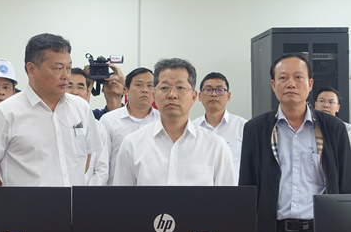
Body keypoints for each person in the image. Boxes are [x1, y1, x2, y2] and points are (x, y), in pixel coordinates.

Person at [239, 53, 351, 232]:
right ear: (273, 85)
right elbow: (247, 188)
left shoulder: (334, 129)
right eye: (283, 78)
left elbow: (346, 185)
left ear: (310, 84)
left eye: (298, 77)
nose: (291, 83)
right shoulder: (254, 129)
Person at [0, 33, 101, 186]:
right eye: (58, 68)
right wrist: (11, 202)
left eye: (69, 68)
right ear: (31, 69)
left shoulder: (81, 108)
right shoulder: (5, 113)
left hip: (73, 207)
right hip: (27, 209)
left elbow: (85, 157)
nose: (66, 75)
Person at [114, 58, 234, 186]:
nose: (172, 94)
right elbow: (123, 202)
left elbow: (226, 203)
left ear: (193, 97)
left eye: (180, 87)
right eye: (165, 88)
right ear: (154, 95)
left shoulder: (215, 147)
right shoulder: (132, 144)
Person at [100, 67, 160, 185]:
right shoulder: (109, 120)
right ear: (126, 90)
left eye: (150, 86)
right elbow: (102, 164)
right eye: (139, 85)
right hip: (118, 193)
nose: (145, 90)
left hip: (153, 193)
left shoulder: (162, 120)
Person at [193, 72, 247, 183]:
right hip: (199, 193)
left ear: (229, 96)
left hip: (233, 193)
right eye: (208, 90)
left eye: (220, 90)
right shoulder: (192, 128)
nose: (214, 94)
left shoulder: (244, 127)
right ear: (199, 96)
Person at [68, 67, 109, 185]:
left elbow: (102, 170)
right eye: (69, 86)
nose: (74, 92)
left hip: (87, 195)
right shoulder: (53, 121)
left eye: (80, 87)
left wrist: (85, 195)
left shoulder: (98, 127)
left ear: (88, 91)